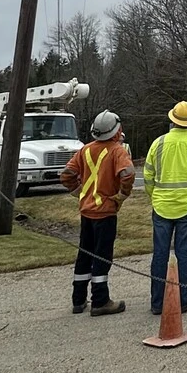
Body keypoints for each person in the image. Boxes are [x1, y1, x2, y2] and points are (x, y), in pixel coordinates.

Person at [59, 110, 136, 316]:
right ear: (115, 131)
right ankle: (100, 300)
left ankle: (78, 299)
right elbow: (128, 173)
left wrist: (79, 193)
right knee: (102, 256)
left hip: (87, 211)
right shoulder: (117, 151)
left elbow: (66, 174)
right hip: (105, 212)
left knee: (85, 254)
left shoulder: (85, 150)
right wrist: (121, 195)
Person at [144, 101, 187, 315]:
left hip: (162, 206)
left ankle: (157, 303)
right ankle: (183, 299)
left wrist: (154, 197)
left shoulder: (158, 143)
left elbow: (148, 175)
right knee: (183, 254)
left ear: (172, 120)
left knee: (160, 255)